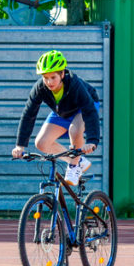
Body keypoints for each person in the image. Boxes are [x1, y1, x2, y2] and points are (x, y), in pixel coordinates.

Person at [11, 50, 100, 185]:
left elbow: (89, 110)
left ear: (62, 74)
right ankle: (78, 160)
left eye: (53, 77)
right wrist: (20, 146)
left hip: (84, 107)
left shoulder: (75, 85)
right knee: (41, 143)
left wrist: (92, 141)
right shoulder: (40, 88)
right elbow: (29, 114)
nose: (49, 82)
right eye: (45, 77)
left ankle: (74, 166)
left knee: (74, 130)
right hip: (63, 111)